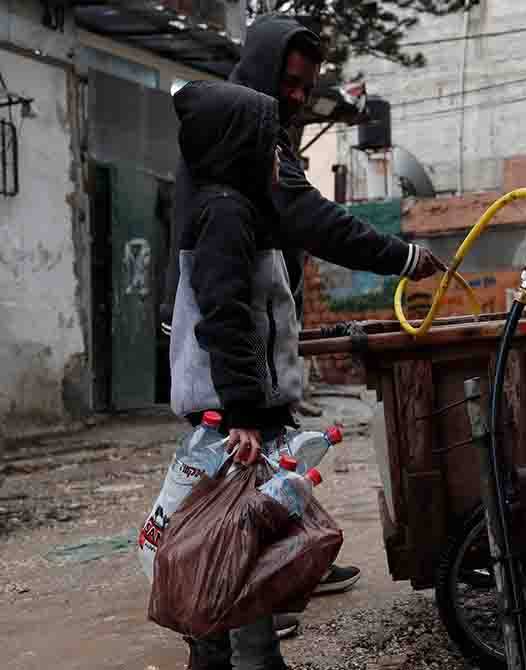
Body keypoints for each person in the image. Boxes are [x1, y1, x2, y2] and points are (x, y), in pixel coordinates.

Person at [160, 16, 444, 607]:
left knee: (259, 466)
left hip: (243, 336)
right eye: (289, 81)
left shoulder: (247, 143)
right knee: (238, 484)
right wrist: (401, 255)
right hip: (229, 346)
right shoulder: (244, 149)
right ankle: (237, 602)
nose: (297, 96)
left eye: (305, 85)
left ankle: (261, 585)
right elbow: (301, 225)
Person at [168, 79, 298, 670]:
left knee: (230, 543)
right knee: (240, 549)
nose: (278, 157)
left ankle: (215, 658)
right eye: (269, 144)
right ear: (237, 144)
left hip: (234, 407)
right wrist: (244, 411)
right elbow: (225, 316)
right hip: (230, 414)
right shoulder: (225, 213)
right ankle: (254, 662)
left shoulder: (235, 208)